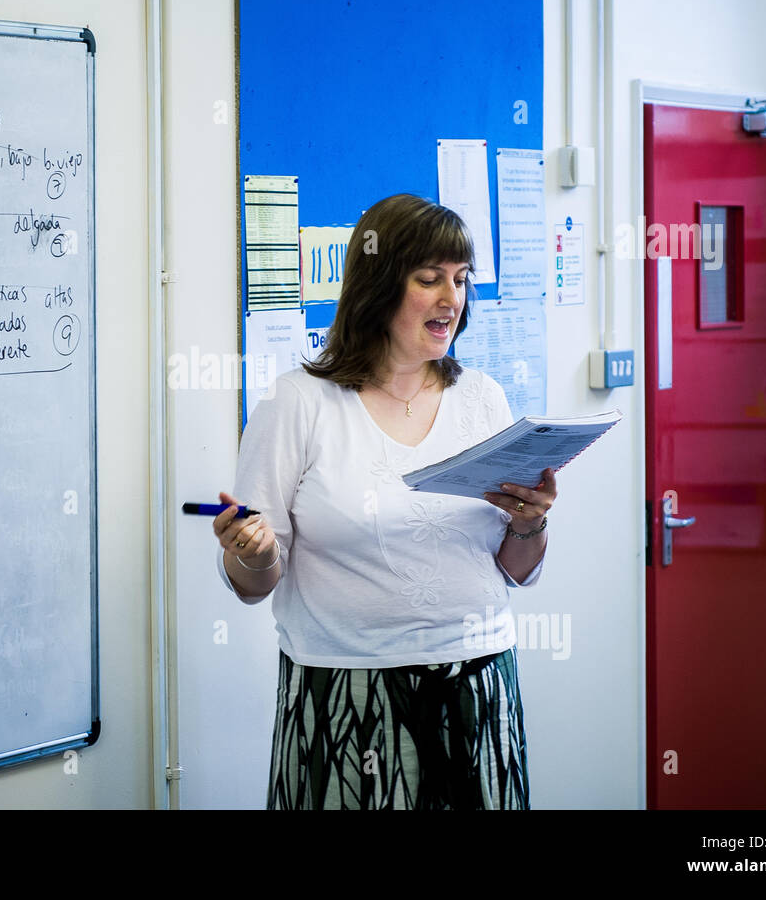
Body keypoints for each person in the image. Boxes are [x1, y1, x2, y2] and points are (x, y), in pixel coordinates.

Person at [213, 193, 557, 809]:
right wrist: (253, 550)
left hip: (479, 686)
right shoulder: (298, 403)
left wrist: (529, 525)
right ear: (377, 285)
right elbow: (253, 581)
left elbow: (513, 569)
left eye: (460, 279)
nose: (451, 298)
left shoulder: (482, 399)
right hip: (346, 698)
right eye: (429, 279)